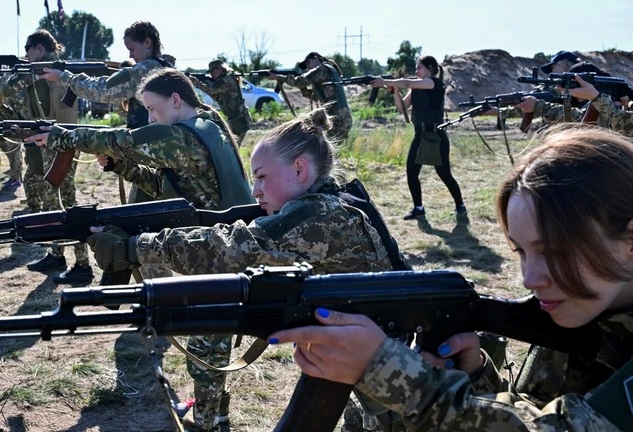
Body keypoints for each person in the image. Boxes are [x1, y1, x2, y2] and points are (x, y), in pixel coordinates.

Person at [268, 125, 633, 431]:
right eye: (521, 252)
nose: (529, 279)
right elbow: (541, 410)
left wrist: (393, 373)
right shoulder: (587, 307)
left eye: (555, 252)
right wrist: (475, 376)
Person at [30, 68, 256, 432]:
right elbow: (167, 184)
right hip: (219, 246)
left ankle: (206, 422)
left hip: (219, 253)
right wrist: (124, 169)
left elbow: (124, 139)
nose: (150, 117)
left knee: (205, 348)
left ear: (176, 100)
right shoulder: (209, 126)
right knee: (209, 342)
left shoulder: (183, 138)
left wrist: (63, 136)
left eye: (153, 109)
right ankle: (214, 411)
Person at [0, 29, 93, 286]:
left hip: (60, 143)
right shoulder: (54, 68)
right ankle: (57, 254)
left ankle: (83, 265)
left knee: (66, 203)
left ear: (40, 49)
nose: (25, 55)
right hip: (59, 141)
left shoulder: (41, 69)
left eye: (28, 49)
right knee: (54, 202)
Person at [39, 20, 173, 206]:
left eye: (132, 49)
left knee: (144, 211)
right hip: (164, 151)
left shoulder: (145, 70)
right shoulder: (165, 67)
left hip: (156, 154)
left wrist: (64, 77)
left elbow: (102, 90)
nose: (130, 55)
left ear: (148, 43)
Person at [370, 56, 465, 220]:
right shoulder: (417, 87)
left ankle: (460, 205)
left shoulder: (433, 83)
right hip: (420, 134)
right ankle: (418, 208)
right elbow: (402, 108)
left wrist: (385, 81)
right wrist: (395, 91)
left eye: (419, 68)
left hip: (436, 135)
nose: (416, 71)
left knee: (444, 173)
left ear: (429, 68)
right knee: (411, 171)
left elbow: (407, 82)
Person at [269, 51, 353, 141]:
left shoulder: (322, 69)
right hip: (342, 118)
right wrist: (303, 88)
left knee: (321, 148)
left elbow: (300, 82)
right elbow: (312, 95)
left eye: (308, 63)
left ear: (316, 58)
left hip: (337, 119)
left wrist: (278, 77)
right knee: (325, 150)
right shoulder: (329, 71)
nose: (308, 68)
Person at [189, 59, 253, 144]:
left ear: (220, 68)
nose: (211, 74)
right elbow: (216, 97)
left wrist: (197, 83)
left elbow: (211, 90)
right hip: (234, 118)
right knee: (232, 146)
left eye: (212, 71)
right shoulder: (224, 79)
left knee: (233, 147)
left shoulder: (228, 78)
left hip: (239, 117)